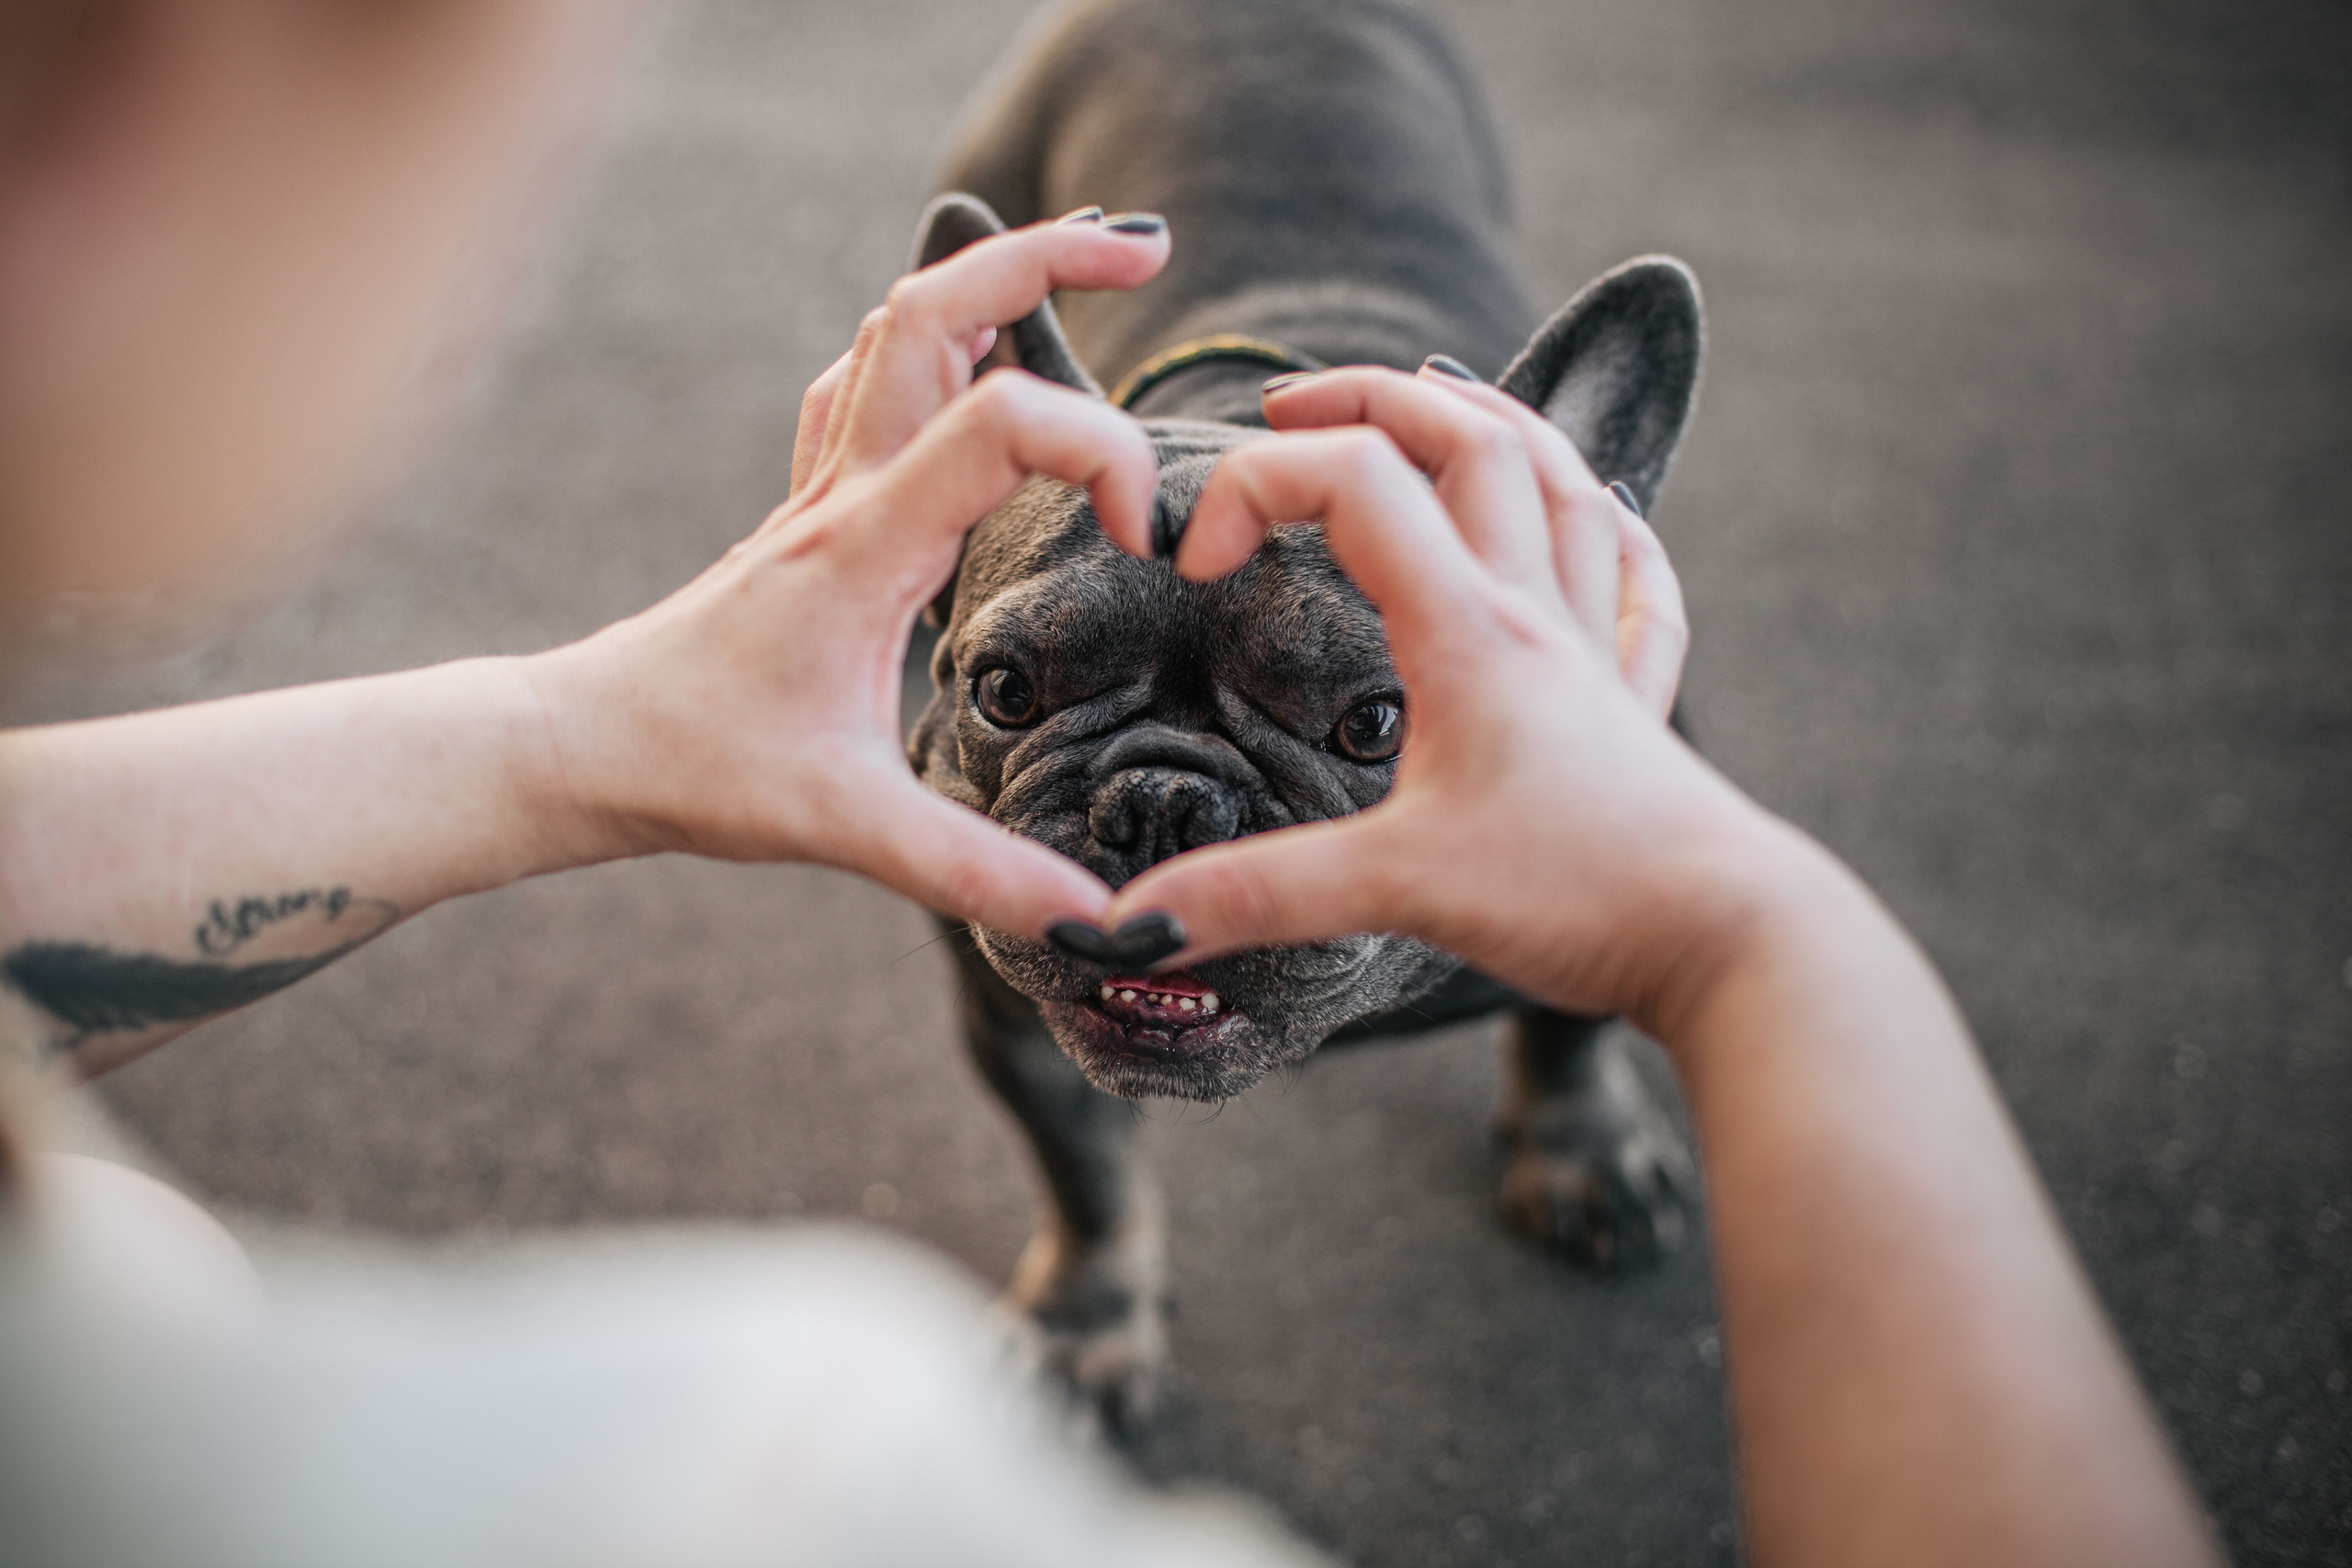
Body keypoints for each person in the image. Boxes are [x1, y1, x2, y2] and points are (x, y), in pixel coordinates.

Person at [0, 4, 2219, 1565]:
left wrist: (1611, 1048)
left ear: (1584, 510)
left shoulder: (742, 1472)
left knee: (1545, 1033)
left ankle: (1560, 1094)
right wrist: (1748, 942)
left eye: (1345, 721)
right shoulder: (788, 1482)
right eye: (1014, 692)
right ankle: (1101, 1250)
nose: (1144, 822)